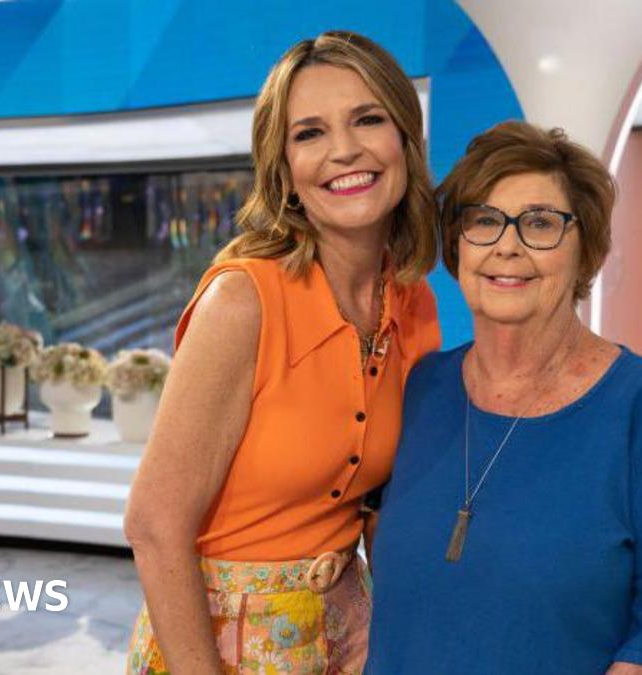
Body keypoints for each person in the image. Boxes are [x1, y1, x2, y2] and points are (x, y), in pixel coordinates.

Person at [365, 121, 642, 675]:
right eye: (483, 221)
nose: (507, 245)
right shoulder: (421, 388)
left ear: (585, 250)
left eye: (540, 224)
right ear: (456, 245)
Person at [123, 31, 441, 675]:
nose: (344, 150)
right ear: (284, 170)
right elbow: (154, 525)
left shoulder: (414, 302)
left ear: (405, 140)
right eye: (310, 133)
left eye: (368, 119)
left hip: (350, 631)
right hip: (217, 646)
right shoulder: (242, 302)